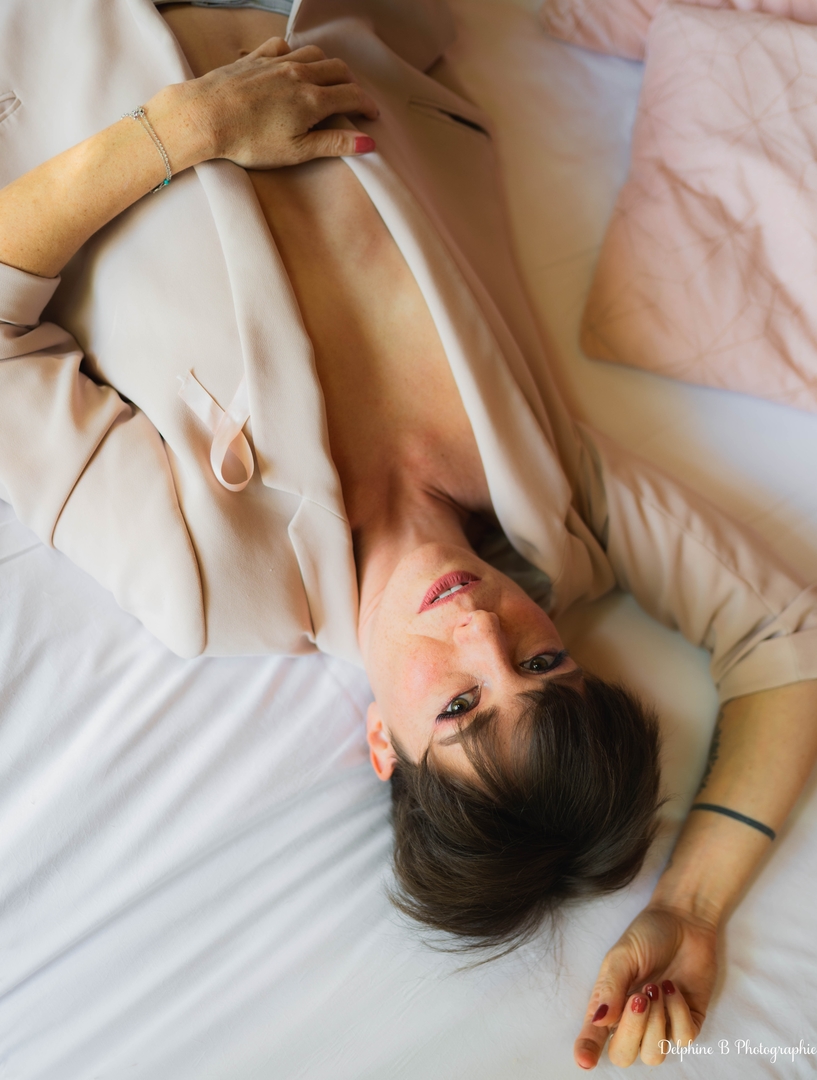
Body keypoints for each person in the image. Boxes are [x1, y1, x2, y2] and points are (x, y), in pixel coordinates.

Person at [1, 0, 816, 1067]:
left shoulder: (212, 583)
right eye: (542, 662)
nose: (481, 627)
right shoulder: (557, 505)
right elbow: (787, 645)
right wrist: (691, 912)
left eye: (462, 706)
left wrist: (183, 131)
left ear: (383, 742)